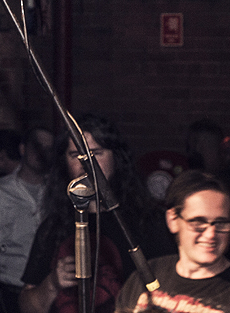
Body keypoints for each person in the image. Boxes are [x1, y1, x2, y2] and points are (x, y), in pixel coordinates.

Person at [19, 113, 176, 313]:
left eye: (96, 154)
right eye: (75, 155)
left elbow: (177, 291)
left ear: (115, 158)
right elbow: (26, 306)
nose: (86, 164)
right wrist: (52, 284)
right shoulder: (53, 227)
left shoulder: (148, 223)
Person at [115, 170, 230, 313]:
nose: (211, 234)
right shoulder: (145, 276)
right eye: (198, 222)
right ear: (173, 220)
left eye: (221, 223)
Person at [0, 126, 53, 313]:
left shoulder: (58, 191)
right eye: (38, 146)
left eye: (49, 149)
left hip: (48, 292)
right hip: (9, 291)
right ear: (23, 149)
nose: (42, 153)